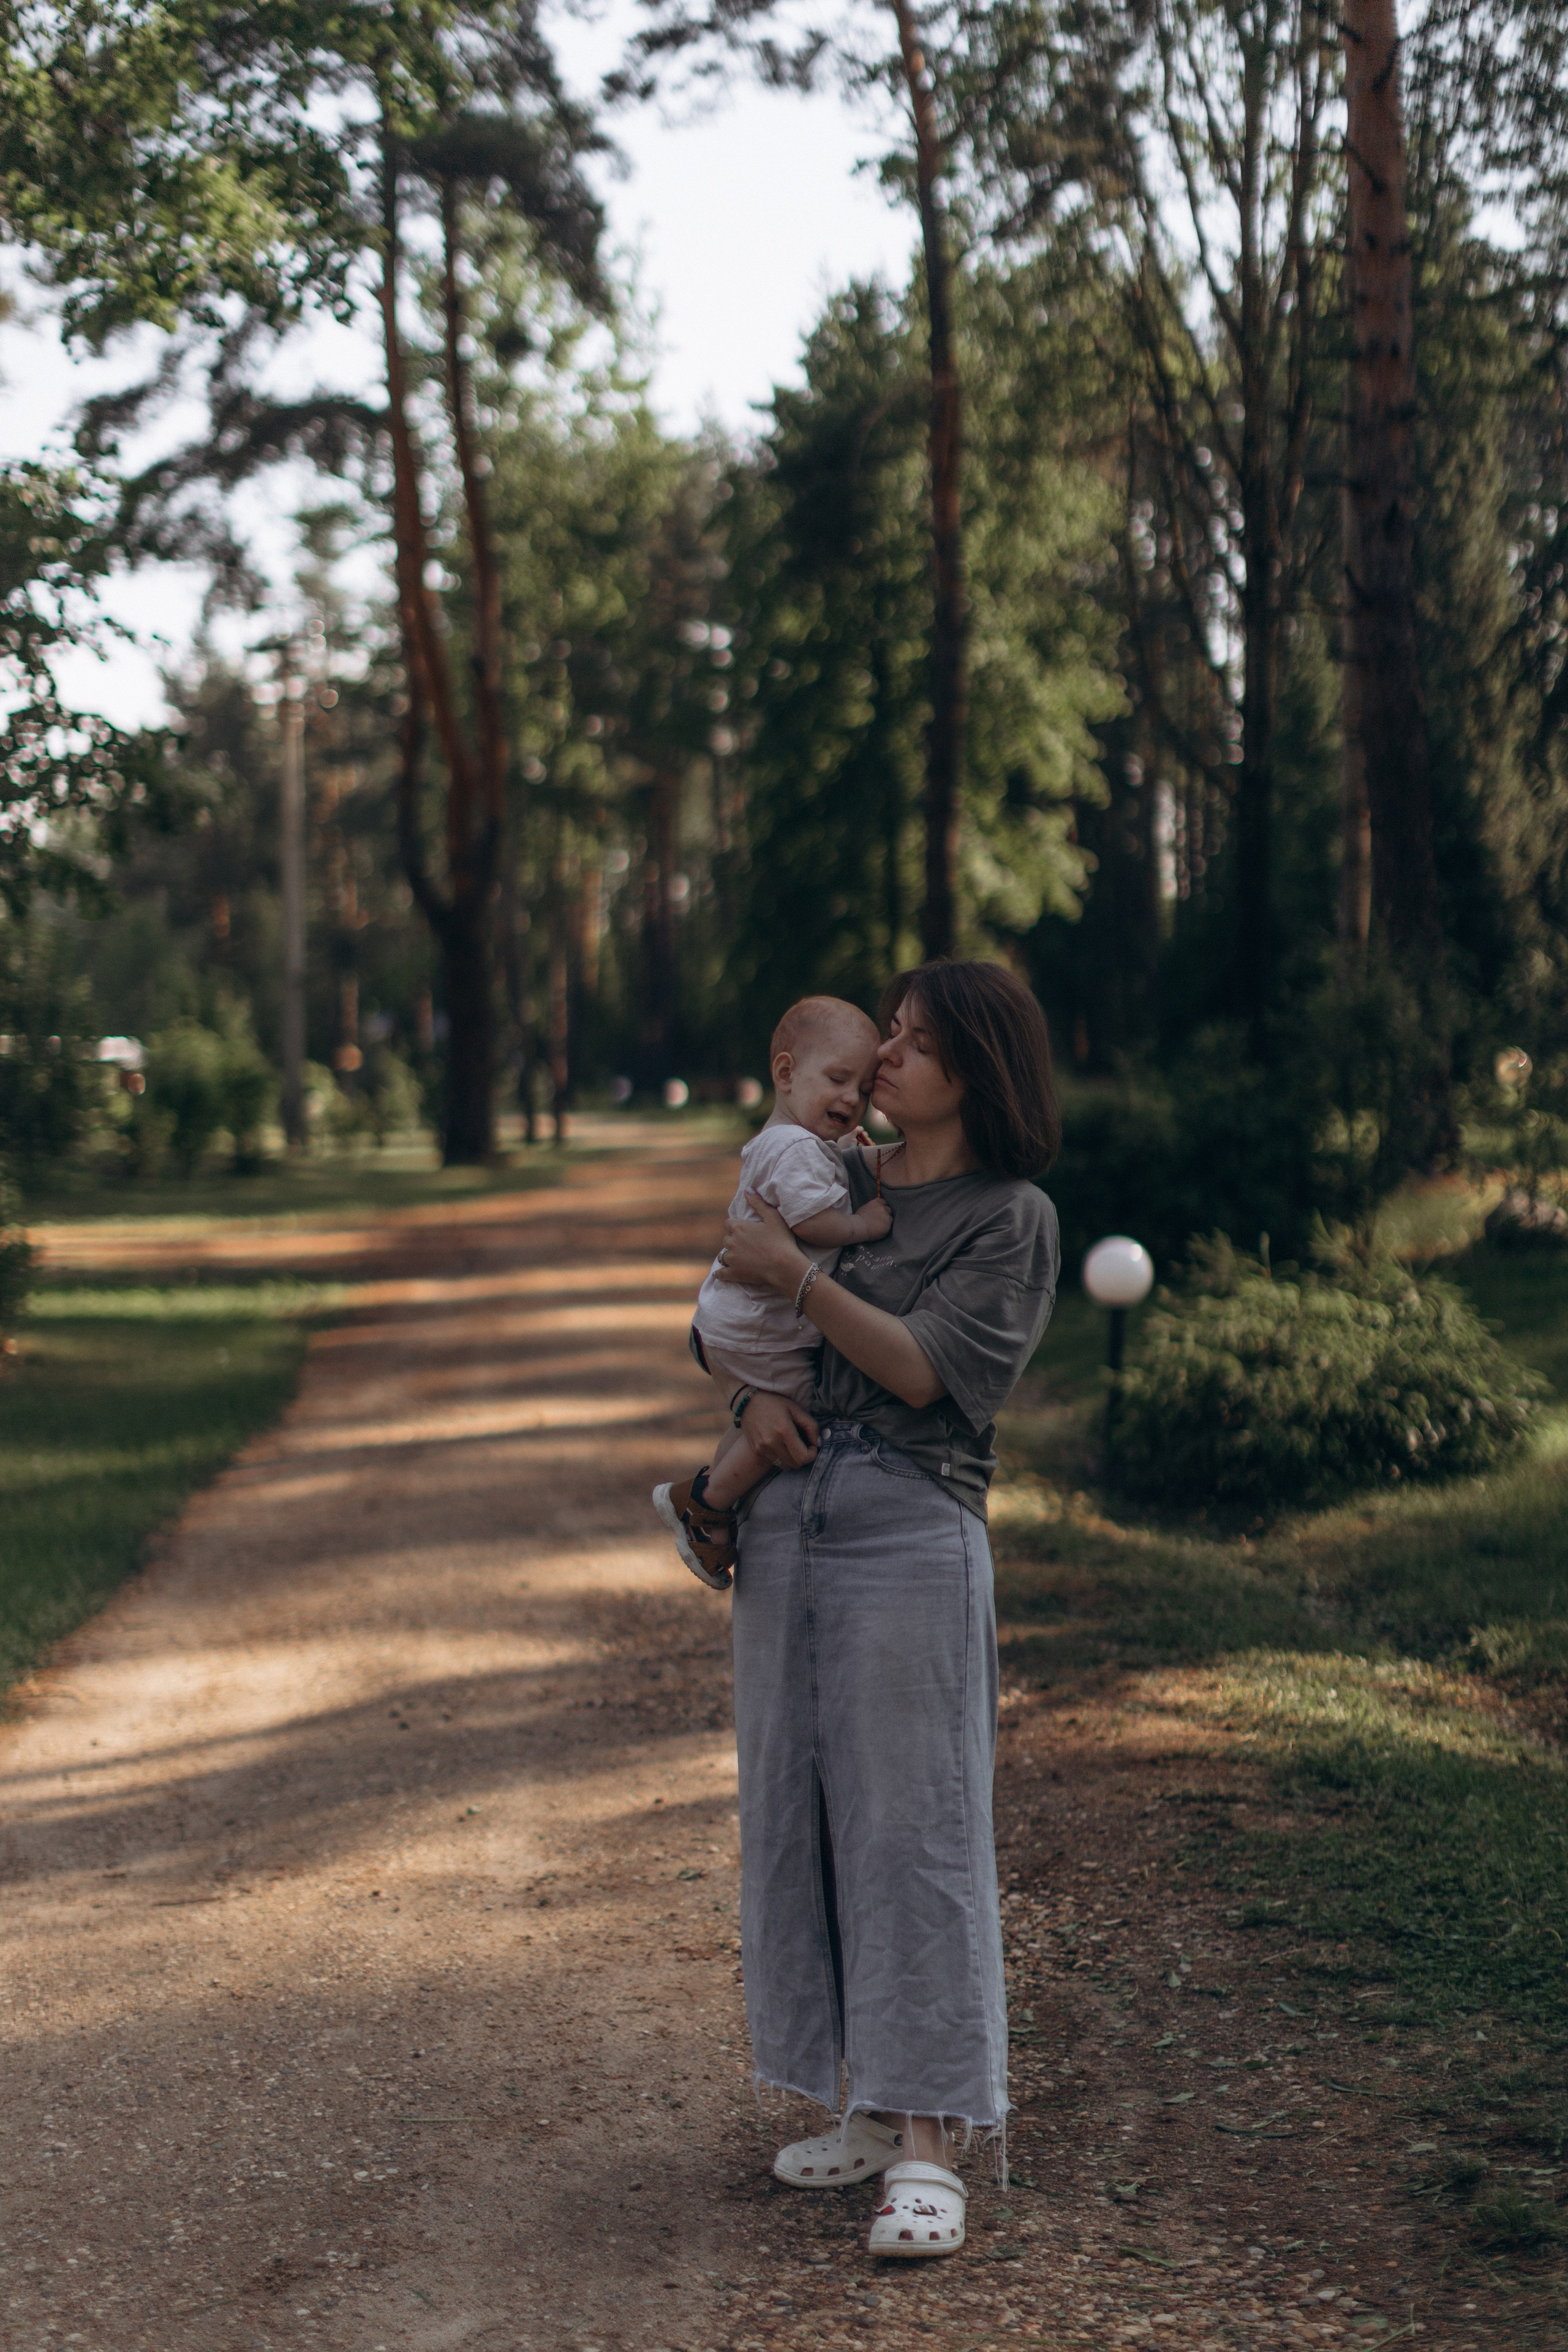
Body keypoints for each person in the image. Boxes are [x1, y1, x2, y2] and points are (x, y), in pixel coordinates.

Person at [714, 960, 1060, 2261]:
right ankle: (860, 2102)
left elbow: (925, 1372)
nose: (883, 1063)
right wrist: (740, 1389)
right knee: (800, 1816)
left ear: (972, 1068)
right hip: (786, 1519)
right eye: (883, 1043)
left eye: (911, 1044)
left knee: (914, 1830)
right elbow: (731, 1304)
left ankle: (929, 2145)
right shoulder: (838, 1180)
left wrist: (799, 1284)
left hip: (910, 1525)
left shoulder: (1009, 1216)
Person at [652, 995, 893, 1588]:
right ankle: (707, 1504)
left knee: (755, 1419)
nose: (848, 1099)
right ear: (785, 1074)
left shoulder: (794, 1142)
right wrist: (864, 1223)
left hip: (738, 1322)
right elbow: (812, 1223)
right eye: (836, 1079)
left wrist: (851, 1158)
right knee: (796, 1418)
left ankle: (704, 1501)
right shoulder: (790, 1148)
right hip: (757, 1326)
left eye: (861, 1088)